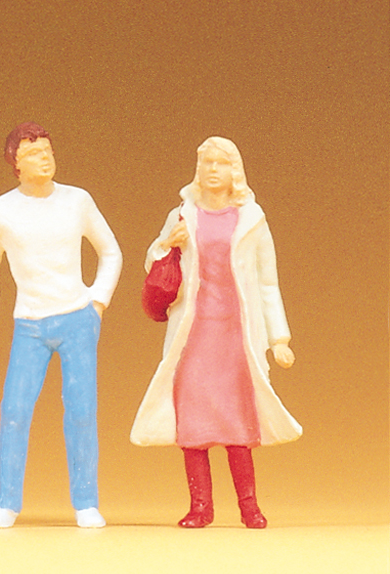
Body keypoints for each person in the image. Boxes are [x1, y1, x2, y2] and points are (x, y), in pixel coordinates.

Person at [130, 136, 299, 529]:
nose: (212, 170)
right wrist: (165, 244)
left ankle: (249, 507)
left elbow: (268, 282)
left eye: (220, 163)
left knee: (238, 421)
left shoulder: (252, 219)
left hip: (235, 335)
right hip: (194, 335)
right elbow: (154, 260)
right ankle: (200, 507)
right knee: (194, 422)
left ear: (234, 170)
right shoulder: (182, 214)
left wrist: (279, 339)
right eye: (206, 162)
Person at [0, 122, 122, 528]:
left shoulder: (77, 201)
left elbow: (111, 252)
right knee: (14, 410)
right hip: (29, 325)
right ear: (15, 162)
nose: (45, 159)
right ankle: (5, 502)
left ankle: (86, 502)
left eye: (48, 151)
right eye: (34, 153)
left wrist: (98, 303)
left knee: (81, 411)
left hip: (77, 319)